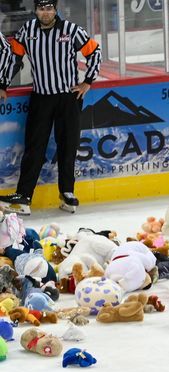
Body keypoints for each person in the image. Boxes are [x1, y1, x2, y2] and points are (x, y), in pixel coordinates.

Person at [0, 0, 102, 215]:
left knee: (68, 146)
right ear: (35, 9)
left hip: (68, 98)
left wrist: (88, 81)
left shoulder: (71, 30)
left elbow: (94, 52)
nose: (45, 12)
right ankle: (24, 196)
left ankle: (67, 192)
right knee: (34, 147)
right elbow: (13, 59)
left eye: (49, 8)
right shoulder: (27, 30)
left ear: (55, 9)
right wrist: (3, 84)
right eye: (41, 8)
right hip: (41, 97)